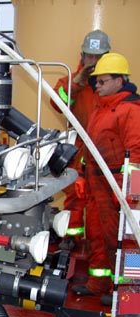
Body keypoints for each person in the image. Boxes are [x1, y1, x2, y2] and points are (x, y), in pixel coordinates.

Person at [70, 53, 140, 305]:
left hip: (118, 186)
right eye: (95, 81)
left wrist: (129, 191)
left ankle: (130, 295)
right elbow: (90, 148)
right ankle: (100, 283)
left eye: (102, 81)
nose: (96, 86)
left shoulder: (130, 111)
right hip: (97, 183)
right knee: (97, 235)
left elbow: (137, 153)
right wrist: (81, 174)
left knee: (127, 242)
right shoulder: (102, 110)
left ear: (120, 80)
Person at [51, 30, 111, 249]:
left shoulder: (115, 88)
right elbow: (57, 102)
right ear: (82, 56)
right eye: (90, 56)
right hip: (79, 150)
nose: (94, 62)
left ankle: (108, 259)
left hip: (106, 153)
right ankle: (71, 240)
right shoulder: (71, 83)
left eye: (99, 57)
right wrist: (77, 82)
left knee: (104, 206)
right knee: (75, 196)